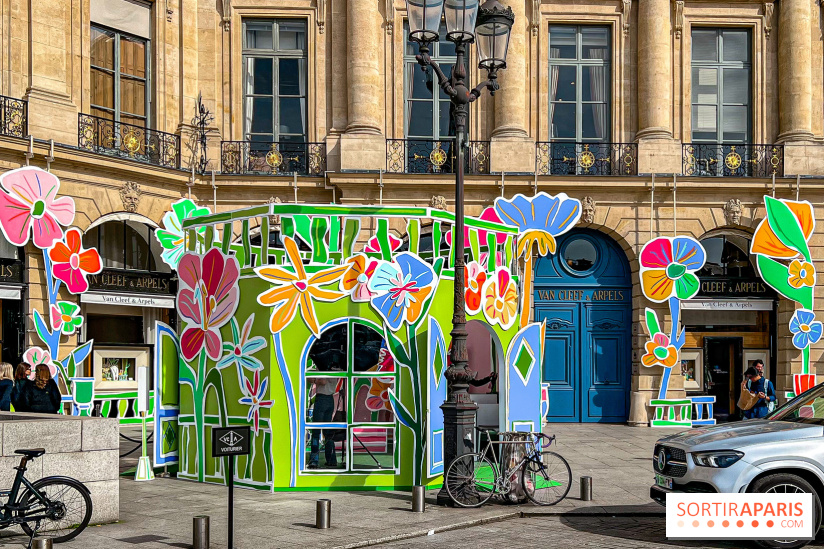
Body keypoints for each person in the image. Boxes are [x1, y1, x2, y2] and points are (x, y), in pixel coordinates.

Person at [308, 377, 339, 469]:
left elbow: (323, 381)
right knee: (327, 431)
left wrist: (313, 380)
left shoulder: (323, 366)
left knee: (316, 430)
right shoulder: (336, 366)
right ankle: (331, 460)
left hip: (321, 398)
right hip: (330, 399)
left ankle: (314, 460)